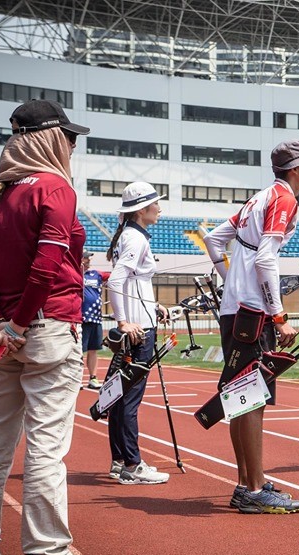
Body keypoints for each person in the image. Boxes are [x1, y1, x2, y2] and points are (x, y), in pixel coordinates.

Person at [0, 98, 103, 555]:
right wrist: (19, 323)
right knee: (46, 445)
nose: (74, 146)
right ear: (50, 138)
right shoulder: (55, 188)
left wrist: (1, 323)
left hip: (3, 332)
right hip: (45, 328)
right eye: (70, 137)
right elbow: (45, 266)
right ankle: (47, 552)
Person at [203, 140, 299, 514]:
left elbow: (213, 239)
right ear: (295, 169)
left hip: (236, 307)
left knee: (239, 397)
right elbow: (267, 258)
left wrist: (231, 279)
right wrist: (279, 314)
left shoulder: (258, 198)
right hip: (253, 313)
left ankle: (246, 483)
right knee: (252, 399)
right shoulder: (283, 199)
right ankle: (252, 489)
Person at [104, 182, 170, 485]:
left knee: (120, 396)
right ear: (142, 210)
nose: (159, 208)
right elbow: (115, 282)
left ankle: (120, 461)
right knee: (129, 400)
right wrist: (123, 323)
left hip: (139, 321)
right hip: (138, 331)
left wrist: (152, 306)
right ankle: (133, 464)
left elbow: (131, 284)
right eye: (156, 204)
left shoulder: (130, 235)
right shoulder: (135, 239)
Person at [81, 251, 106, 389]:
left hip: (96, 318)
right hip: (82, 318)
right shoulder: (75, 274)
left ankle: (93, 378)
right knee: (79, 350)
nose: (88, 260)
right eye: (85, 257)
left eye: (88, 258)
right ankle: (76, 378)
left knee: (93, 349)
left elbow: (115, 277)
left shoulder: (96, 274)